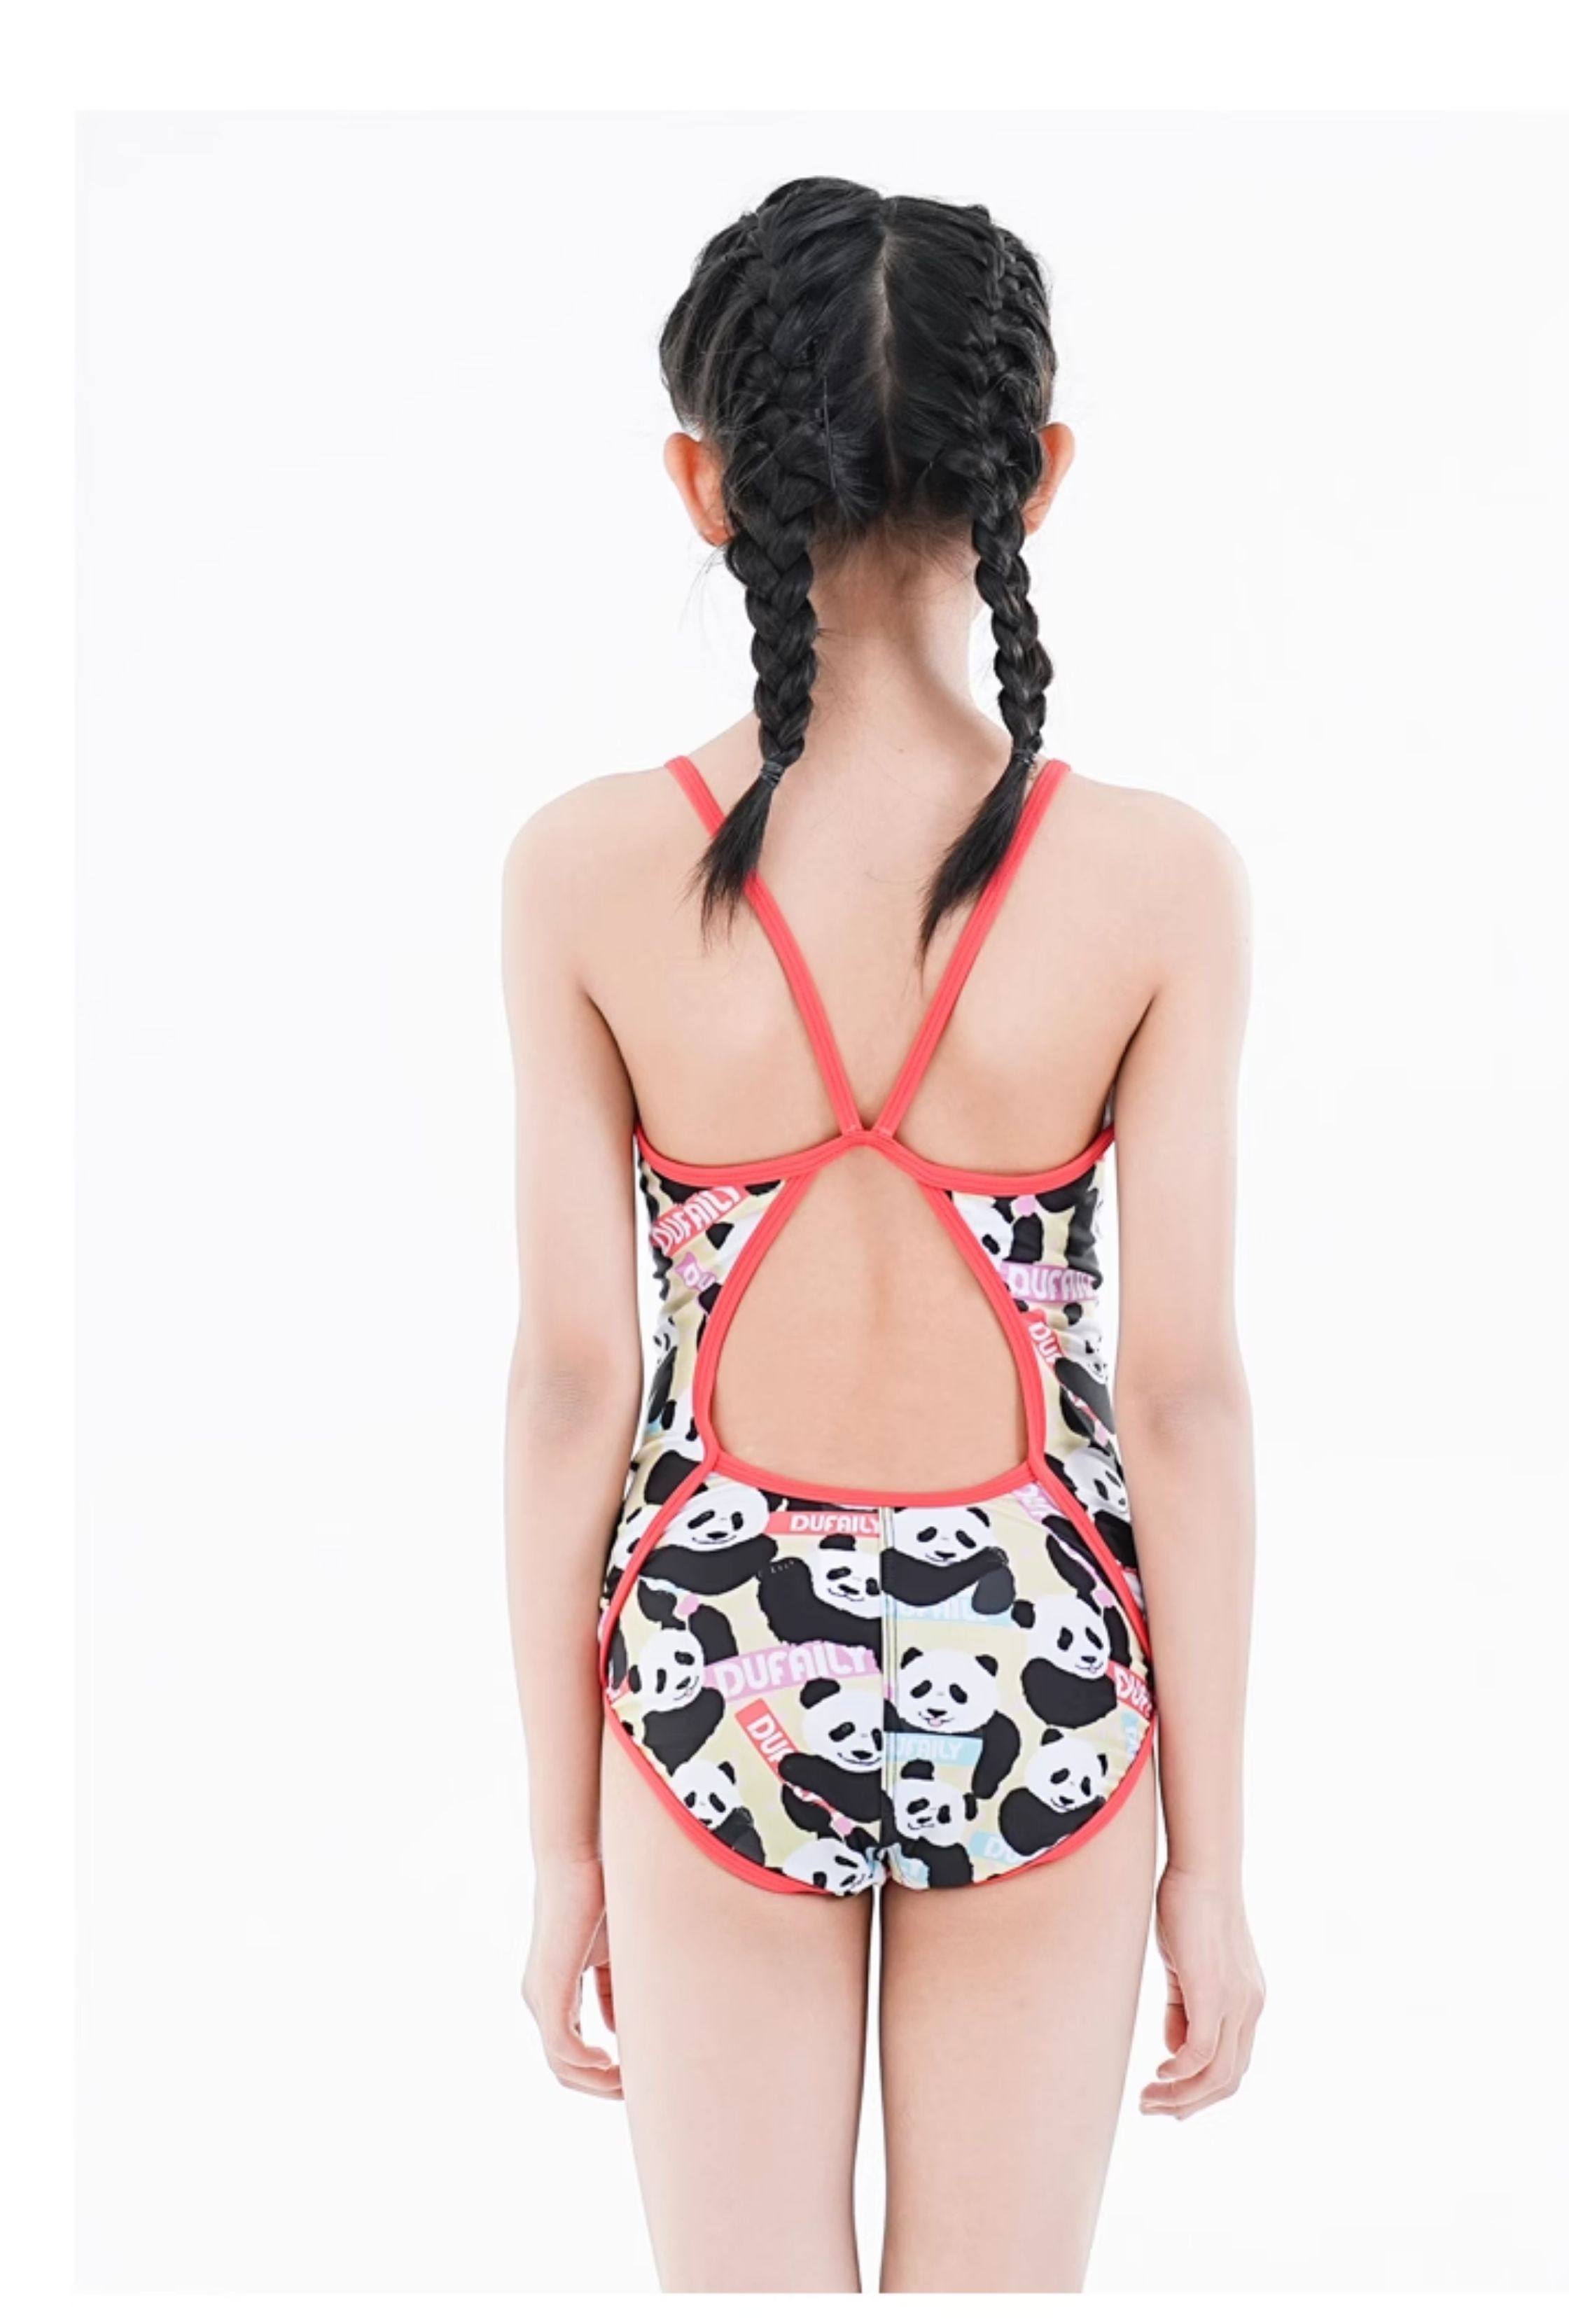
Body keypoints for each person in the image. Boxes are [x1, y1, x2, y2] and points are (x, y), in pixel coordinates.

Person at [501, 176, 1263, 2295]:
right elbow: (1184, 1402)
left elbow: (572, 1389)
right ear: (1039, 475)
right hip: (1044, 1646)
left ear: (704, 484)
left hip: (712, 1661)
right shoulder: (1156, 882)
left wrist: (560, 1848)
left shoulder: (585, 873)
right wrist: (1210, 1866)